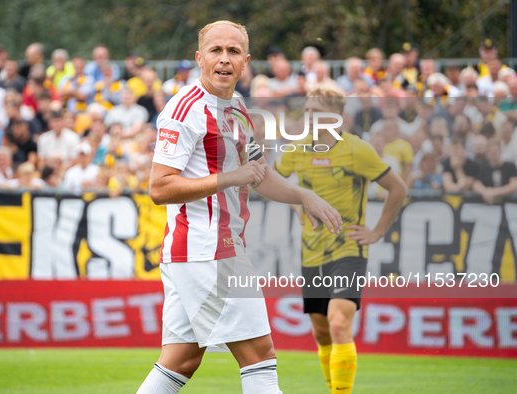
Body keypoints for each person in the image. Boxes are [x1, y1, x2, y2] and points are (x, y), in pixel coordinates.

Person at [136, 20, 342, 394]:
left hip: (199, 252)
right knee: (260, 357)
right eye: (216, 50)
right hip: (209, 250)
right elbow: (159, 187)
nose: (224, 59)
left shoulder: (237, 107)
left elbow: (258, 174)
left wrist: (303, 195)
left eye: (233, 52)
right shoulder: (185, 110)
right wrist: (233, 176)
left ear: (245, 62)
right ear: (200, 58)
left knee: (181, 360)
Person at [274, 86, 407, 394]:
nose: (309, 118)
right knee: (321, 332)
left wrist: (376, 232)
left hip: (348, 247)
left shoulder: (356, 150)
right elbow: (276, 182)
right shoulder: (296, 150)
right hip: (311, 251)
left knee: (338, 323)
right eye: (307, 111)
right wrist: (296, 204)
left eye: (316, 112)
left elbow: (397, 188)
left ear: (336, 117)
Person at [473, 140, 517, 204]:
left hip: (509, 204)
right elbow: (476, 184)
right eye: (490, 151)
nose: (493, 153)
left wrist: (494, 192)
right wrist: (485, 192)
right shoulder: (483, 167)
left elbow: (514, 185)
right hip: (489, 206)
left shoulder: (510, 166)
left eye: (495, 151)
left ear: (501, 151)